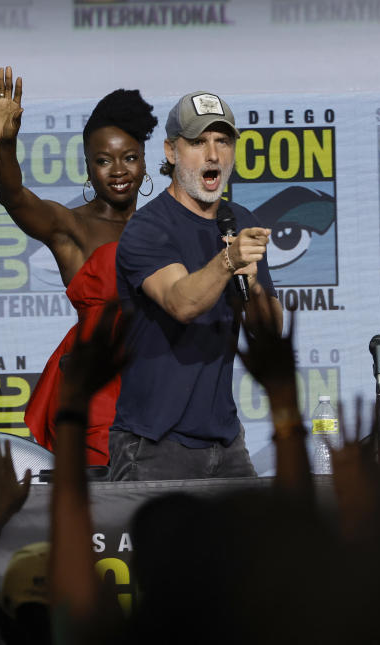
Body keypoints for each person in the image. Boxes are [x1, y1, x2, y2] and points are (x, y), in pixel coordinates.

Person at [111, 91, 283, 481]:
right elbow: (181, 303)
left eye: (223, 141)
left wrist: (253, 285)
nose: (213, 155)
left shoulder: (240, 221)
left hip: (225, 441)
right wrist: (228, 262)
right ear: (171, 151)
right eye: (198, 142)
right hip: (152, 444)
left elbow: (270, 332)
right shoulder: (148, 228)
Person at [0, 66, 158, 466]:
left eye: (129, 157)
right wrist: (5, 145)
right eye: (104, 160)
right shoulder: (72, 227)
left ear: (145, 161)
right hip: (98, 390)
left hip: (159, 380)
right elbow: (13, 197)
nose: (119, 170)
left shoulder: (163, 227)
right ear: (87, 166)